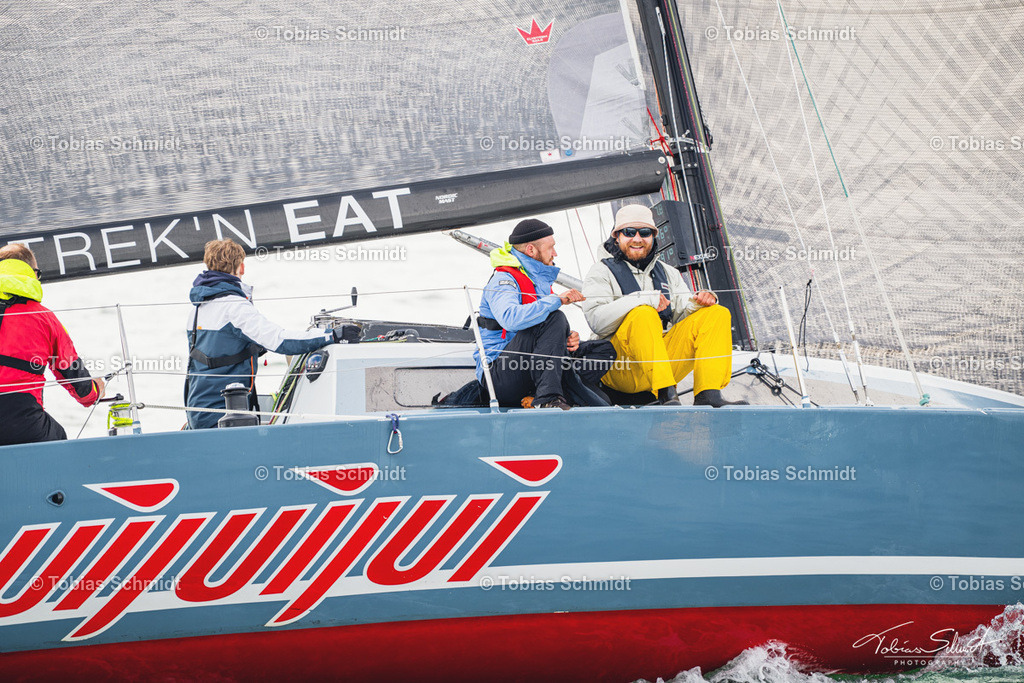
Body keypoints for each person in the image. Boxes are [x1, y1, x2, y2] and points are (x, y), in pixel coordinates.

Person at [582, 205, 747, 407]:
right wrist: (643, 298)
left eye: (644, 233)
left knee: (716, 313)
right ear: (616, 236)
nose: (637, 238)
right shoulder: (600, 271)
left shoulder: (669, 273)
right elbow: (597, 321)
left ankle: (709, 396)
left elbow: (682, 314)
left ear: (653, 236)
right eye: (629, 232)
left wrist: (698, 303)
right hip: (619, 367)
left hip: (658, 366)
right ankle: (667, 394)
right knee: (643, 313)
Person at [185, 239, 357, 429]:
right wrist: (331, 335)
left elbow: (216, 351)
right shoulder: (234, 306)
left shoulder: (198, 308)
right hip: (223, 414)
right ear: (241, 267)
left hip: (197, 411)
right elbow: (280, 341)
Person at [475, 219, 615, 410]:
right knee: (556, 317)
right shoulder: (504, 280)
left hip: (529, 365)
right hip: (500, 372)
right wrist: (556, 300)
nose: (555, 253)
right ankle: (547, 400)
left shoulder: (537, 280)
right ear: (531, 250)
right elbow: (511, 318)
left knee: (604, 350)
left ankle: (542, 395)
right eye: (551, 248)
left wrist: (565, 338)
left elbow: (543, 331)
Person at [0, 243, 105, 445]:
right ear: (32, 274)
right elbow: (76, 380)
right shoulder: (44, 318)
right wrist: (95, 391)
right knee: (58, 439)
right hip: (22, 421)